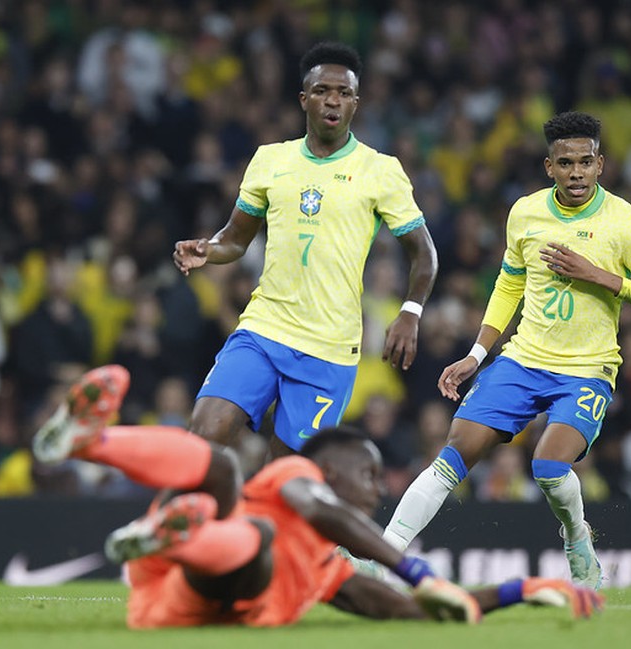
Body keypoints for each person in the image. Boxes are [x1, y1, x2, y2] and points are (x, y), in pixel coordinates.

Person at [32, 365, 603, 628]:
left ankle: (178, 526)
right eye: (369, 474)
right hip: (192, 566)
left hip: (178, 597)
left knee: (242, 514)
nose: (378, 488)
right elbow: (320, 511)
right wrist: (415, 569)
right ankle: (93, 442)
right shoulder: (292, 485)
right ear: (325, 469)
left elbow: (413, 610)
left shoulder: (326, 573)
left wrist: (521, 589)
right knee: (226, 474)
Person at [382, 112, 631, 590]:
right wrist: (476, 356)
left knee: (548, 466)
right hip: (524, 359)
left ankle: (577, 538)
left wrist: (599, 275)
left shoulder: (626, 220)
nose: (576, 172)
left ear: (601, 164)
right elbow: (509, 285)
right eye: (565, 163)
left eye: (585, 162)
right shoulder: (525, 213)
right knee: (455, 450)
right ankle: (385, 557)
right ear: (549, 166)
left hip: (587, 368)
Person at [171, 42, 437, 458]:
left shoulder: (381, 171)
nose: (333, 99)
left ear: (355, 103)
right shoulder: (269, 160)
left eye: (344, 93)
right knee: (201, 438)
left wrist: (410, 311)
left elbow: (424, 253)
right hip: (264, 328)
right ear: (304, 99)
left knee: (286, 478)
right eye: (322, 90)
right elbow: (236, 239)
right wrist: (210, 248)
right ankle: (177, 522)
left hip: (329, 347)